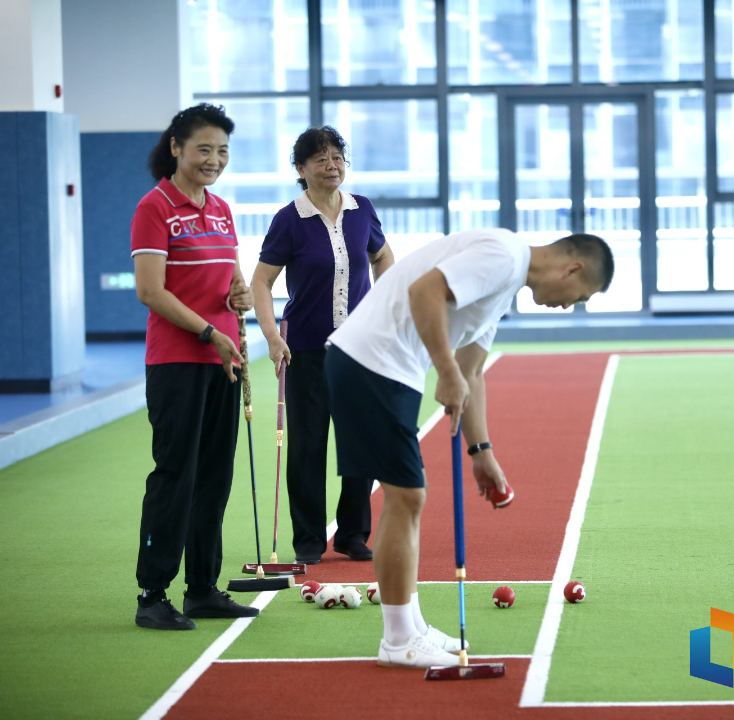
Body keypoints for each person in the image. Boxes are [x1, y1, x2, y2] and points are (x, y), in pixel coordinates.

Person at [325, 229, 614, 667]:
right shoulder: (503, 255)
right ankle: (399, 639)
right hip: (373, 363)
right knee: (407, 496)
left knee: (405, 498)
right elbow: (426, 291)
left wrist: (482, 453)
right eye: (580, 295)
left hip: (384, 368)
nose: (570, 304)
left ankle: (410, 626)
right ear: (571, 268)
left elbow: (471, 371)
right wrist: (444, 371)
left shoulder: (505, 286)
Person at [131, 103, 259, 630]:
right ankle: (151, 594)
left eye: (222, 150)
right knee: (176, 477)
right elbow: (150, 291)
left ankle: (203, 588)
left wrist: (239, 296)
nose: (214, 159)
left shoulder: (223, 208)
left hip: (223, 362)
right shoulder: (154, 207)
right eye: (204, 148)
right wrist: (207, 331)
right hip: (178, 363)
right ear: (177, 147)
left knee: (213, 478)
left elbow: (228, 278)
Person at [252, 127, 395, 565]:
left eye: (337, 157)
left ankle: (353, 534)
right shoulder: (288, 219)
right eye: (321, 159)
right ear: (301, 169)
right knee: (308, 446)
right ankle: (309, 540)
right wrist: (273, 337)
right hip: (306, 351)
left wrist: (386, 308)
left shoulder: (361, 210)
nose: (332, 166)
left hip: (360, 349)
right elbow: (261, 281)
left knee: (360, 442)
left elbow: (383, 258)